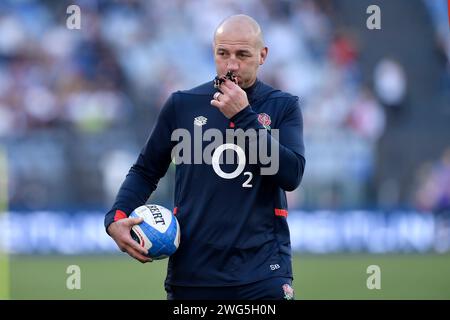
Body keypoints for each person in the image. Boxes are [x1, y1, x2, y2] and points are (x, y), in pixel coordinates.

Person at [105, 14, 305, 300]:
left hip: (263, 273)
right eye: (223, 53)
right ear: (213, 52)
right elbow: (145, 171)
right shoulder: (182, 104)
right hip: (193, 275)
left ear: (262, 55)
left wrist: (244, 117)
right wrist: (116, 217)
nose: (231, 64)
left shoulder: (283, 106)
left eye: (242, 54)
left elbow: (292, 174)